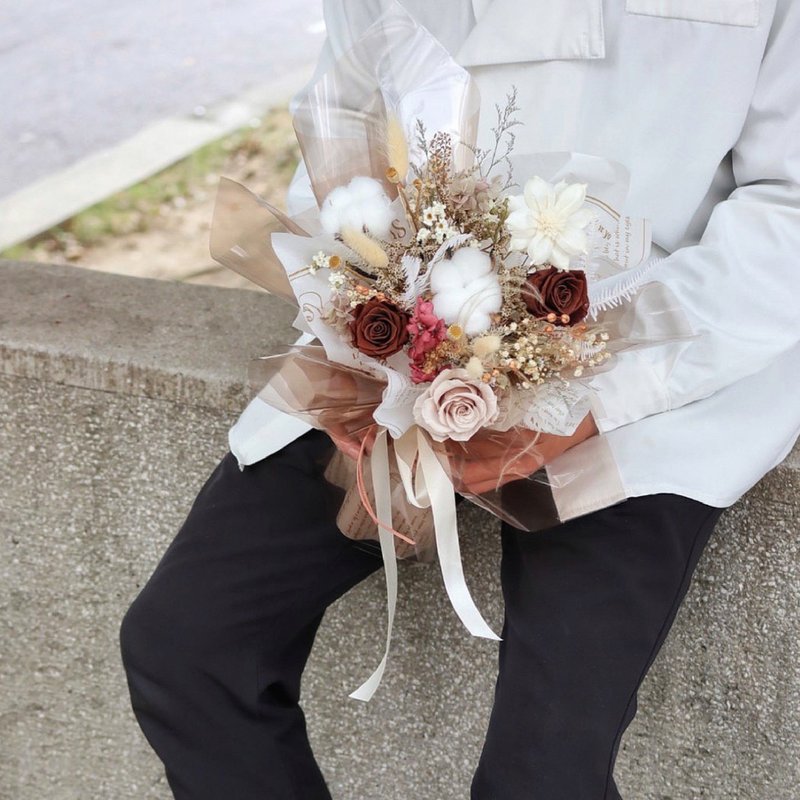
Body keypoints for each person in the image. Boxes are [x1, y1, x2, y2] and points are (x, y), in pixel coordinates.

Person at [119, 1, 800, 798]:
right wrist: (371, 340)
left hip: (663, 359)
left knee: (542, 777)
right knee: (189, 647)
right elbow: (343, 127)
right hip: (400, 342)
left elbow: (786, 212)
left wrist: (587, 394)